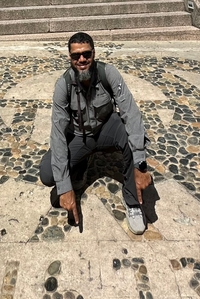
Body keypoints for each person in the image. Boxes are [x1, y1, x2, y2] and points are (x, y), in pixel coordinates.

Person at [39, 31, 152, 234]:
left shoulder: (108, 73)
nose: (82, 59)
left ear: (94, 53)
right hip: (80, 137)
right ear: (70, 57)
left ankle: (132, 201)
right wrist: (64, 187)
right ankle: (79, 169)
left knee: (131, 135)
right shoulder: (63, 86)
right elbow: (57, 134)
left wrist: (140, 165)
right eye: (76, 55)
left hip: (106, 127)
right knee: (48, 174)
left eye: (86, 54)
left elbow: (132, 114)